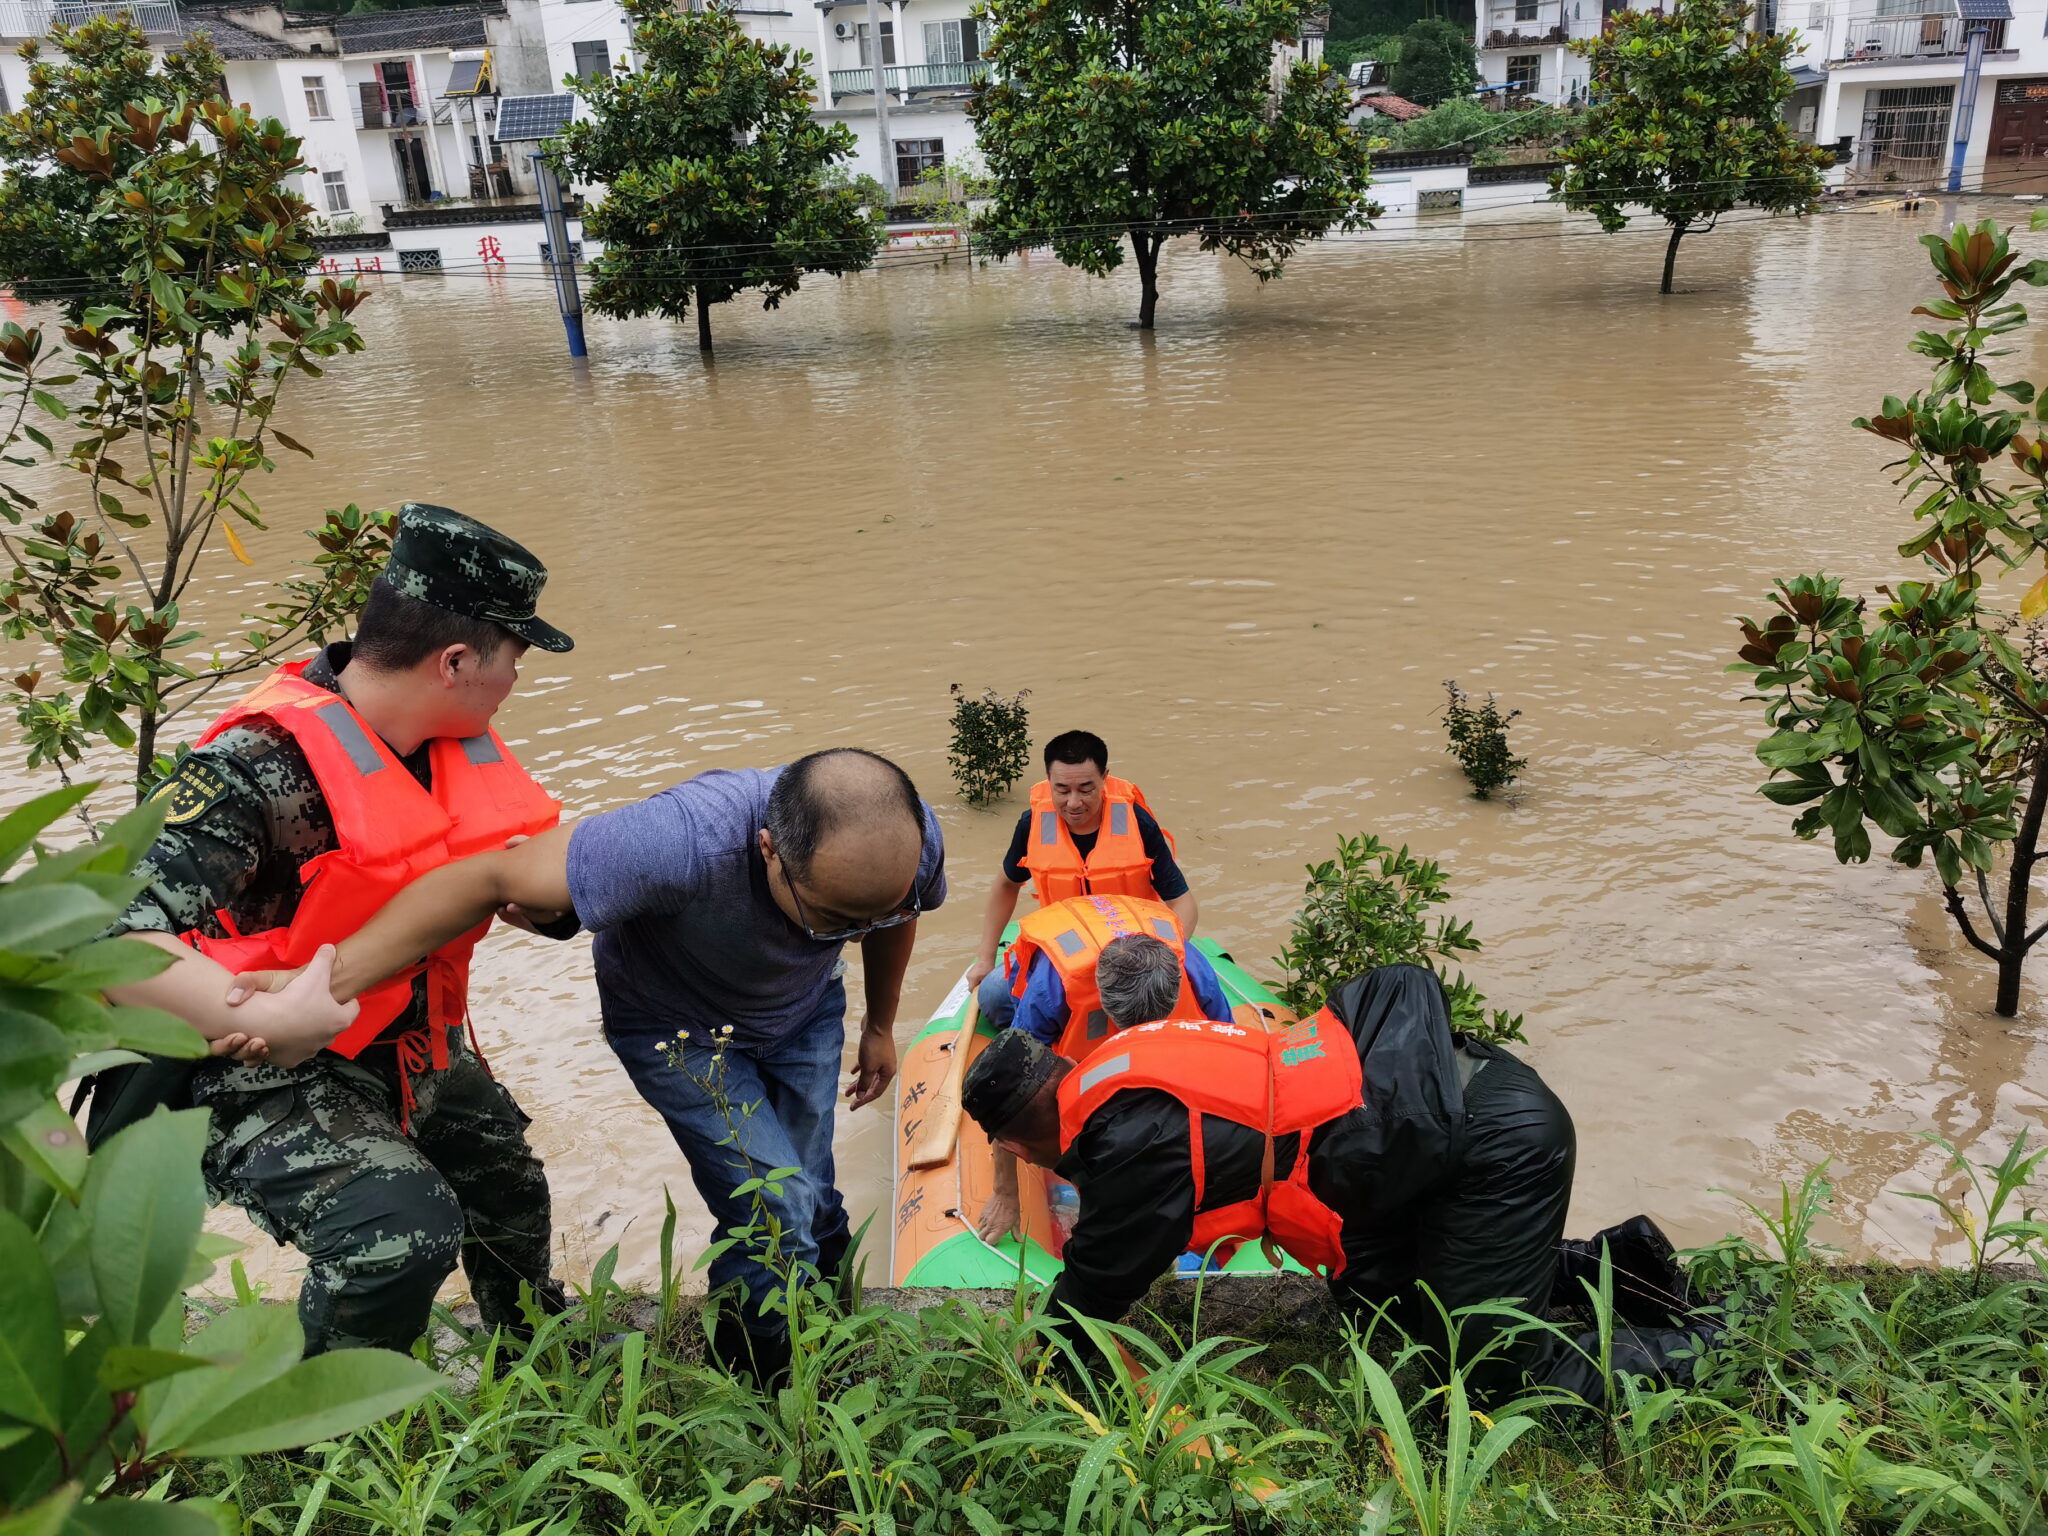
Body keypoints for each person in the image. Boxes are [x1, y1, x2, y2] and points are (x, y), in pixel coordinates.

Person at [239, 747, 947, 1384]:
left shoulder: (904, 843)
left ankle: (827, 1334)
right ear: (767, 847)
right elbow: (488, 875)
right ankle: (763, 1381)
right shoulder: (679, 838)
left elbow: (893, 916)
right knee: (773, 1213)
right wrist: (320, 985)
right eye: (829, 919)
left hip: (800, 1015)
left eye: (865, 919)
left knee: (814, 1190)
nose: (850, 934)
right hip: (676, 1030)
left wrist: (880, 1025)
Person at [100, 504, 578, 1356]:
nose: (515, 681)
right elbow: (103, 942)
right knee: (399, 1232)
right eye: (515, 658)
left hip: (399, 1032)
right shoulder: (253, 768)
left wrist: (550, 904)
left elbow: (513, 864)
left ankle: (533, 1353)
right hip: (249, 1059)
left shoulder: (448, 738)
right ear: (457, 661)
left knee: (505, 1180)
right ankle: (336, 1440)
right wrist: (266, 1017)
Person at [959, 965, 1715, 1405]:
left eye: (1021, 1153)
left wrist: (1040, 1380)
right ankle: (1632, 1266)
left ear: (1023, 1139)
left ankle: (1713, 1348)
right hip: (1447, 1105)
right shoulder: (1126, 1058)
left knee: (1491, 1365)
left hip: (1489, 1142)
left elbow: (1095, 1284)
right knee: (1395, 1295)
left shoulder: (1121, 1139)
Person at [976, 901, 1234, 1242]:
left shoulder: (1194, 974)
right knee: (993, 995)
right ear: (1104, 1003)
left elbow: (1232, 1066)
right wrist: (1005, 1190)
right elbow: (1007, 1087)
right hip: (1065, 952)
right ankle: (1001, 989)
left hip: (1137, 943)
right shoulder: (1051, 990)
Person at [967, 732, 1196, 1030]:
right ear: (1048, 781)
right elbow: (1006, 885)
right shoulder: (1033, 822)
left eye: (1086, 789)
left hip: (1131, 952)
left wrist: (1163, 958)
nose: (1073, 803)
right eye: (1061, 790)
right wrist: (985, 958)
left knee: (1183, 987)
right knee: (995, 994)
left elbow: (1182, 901)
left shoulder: (1136, 822)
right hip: (1063, 950)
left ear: (1105, 777)